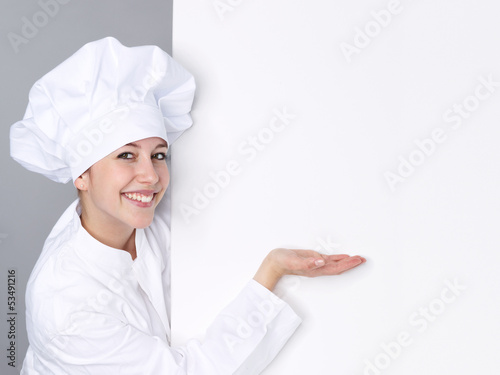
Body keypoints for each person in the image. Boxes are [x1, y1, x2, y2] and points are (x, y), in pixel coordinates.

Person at [10, 36, 366, 374]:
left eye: (159, 154)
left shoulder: (142, 217)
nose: (150, 175)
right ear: (82, 176)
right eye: (127, 155)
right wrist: (272, 270)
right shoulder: (64, 306)